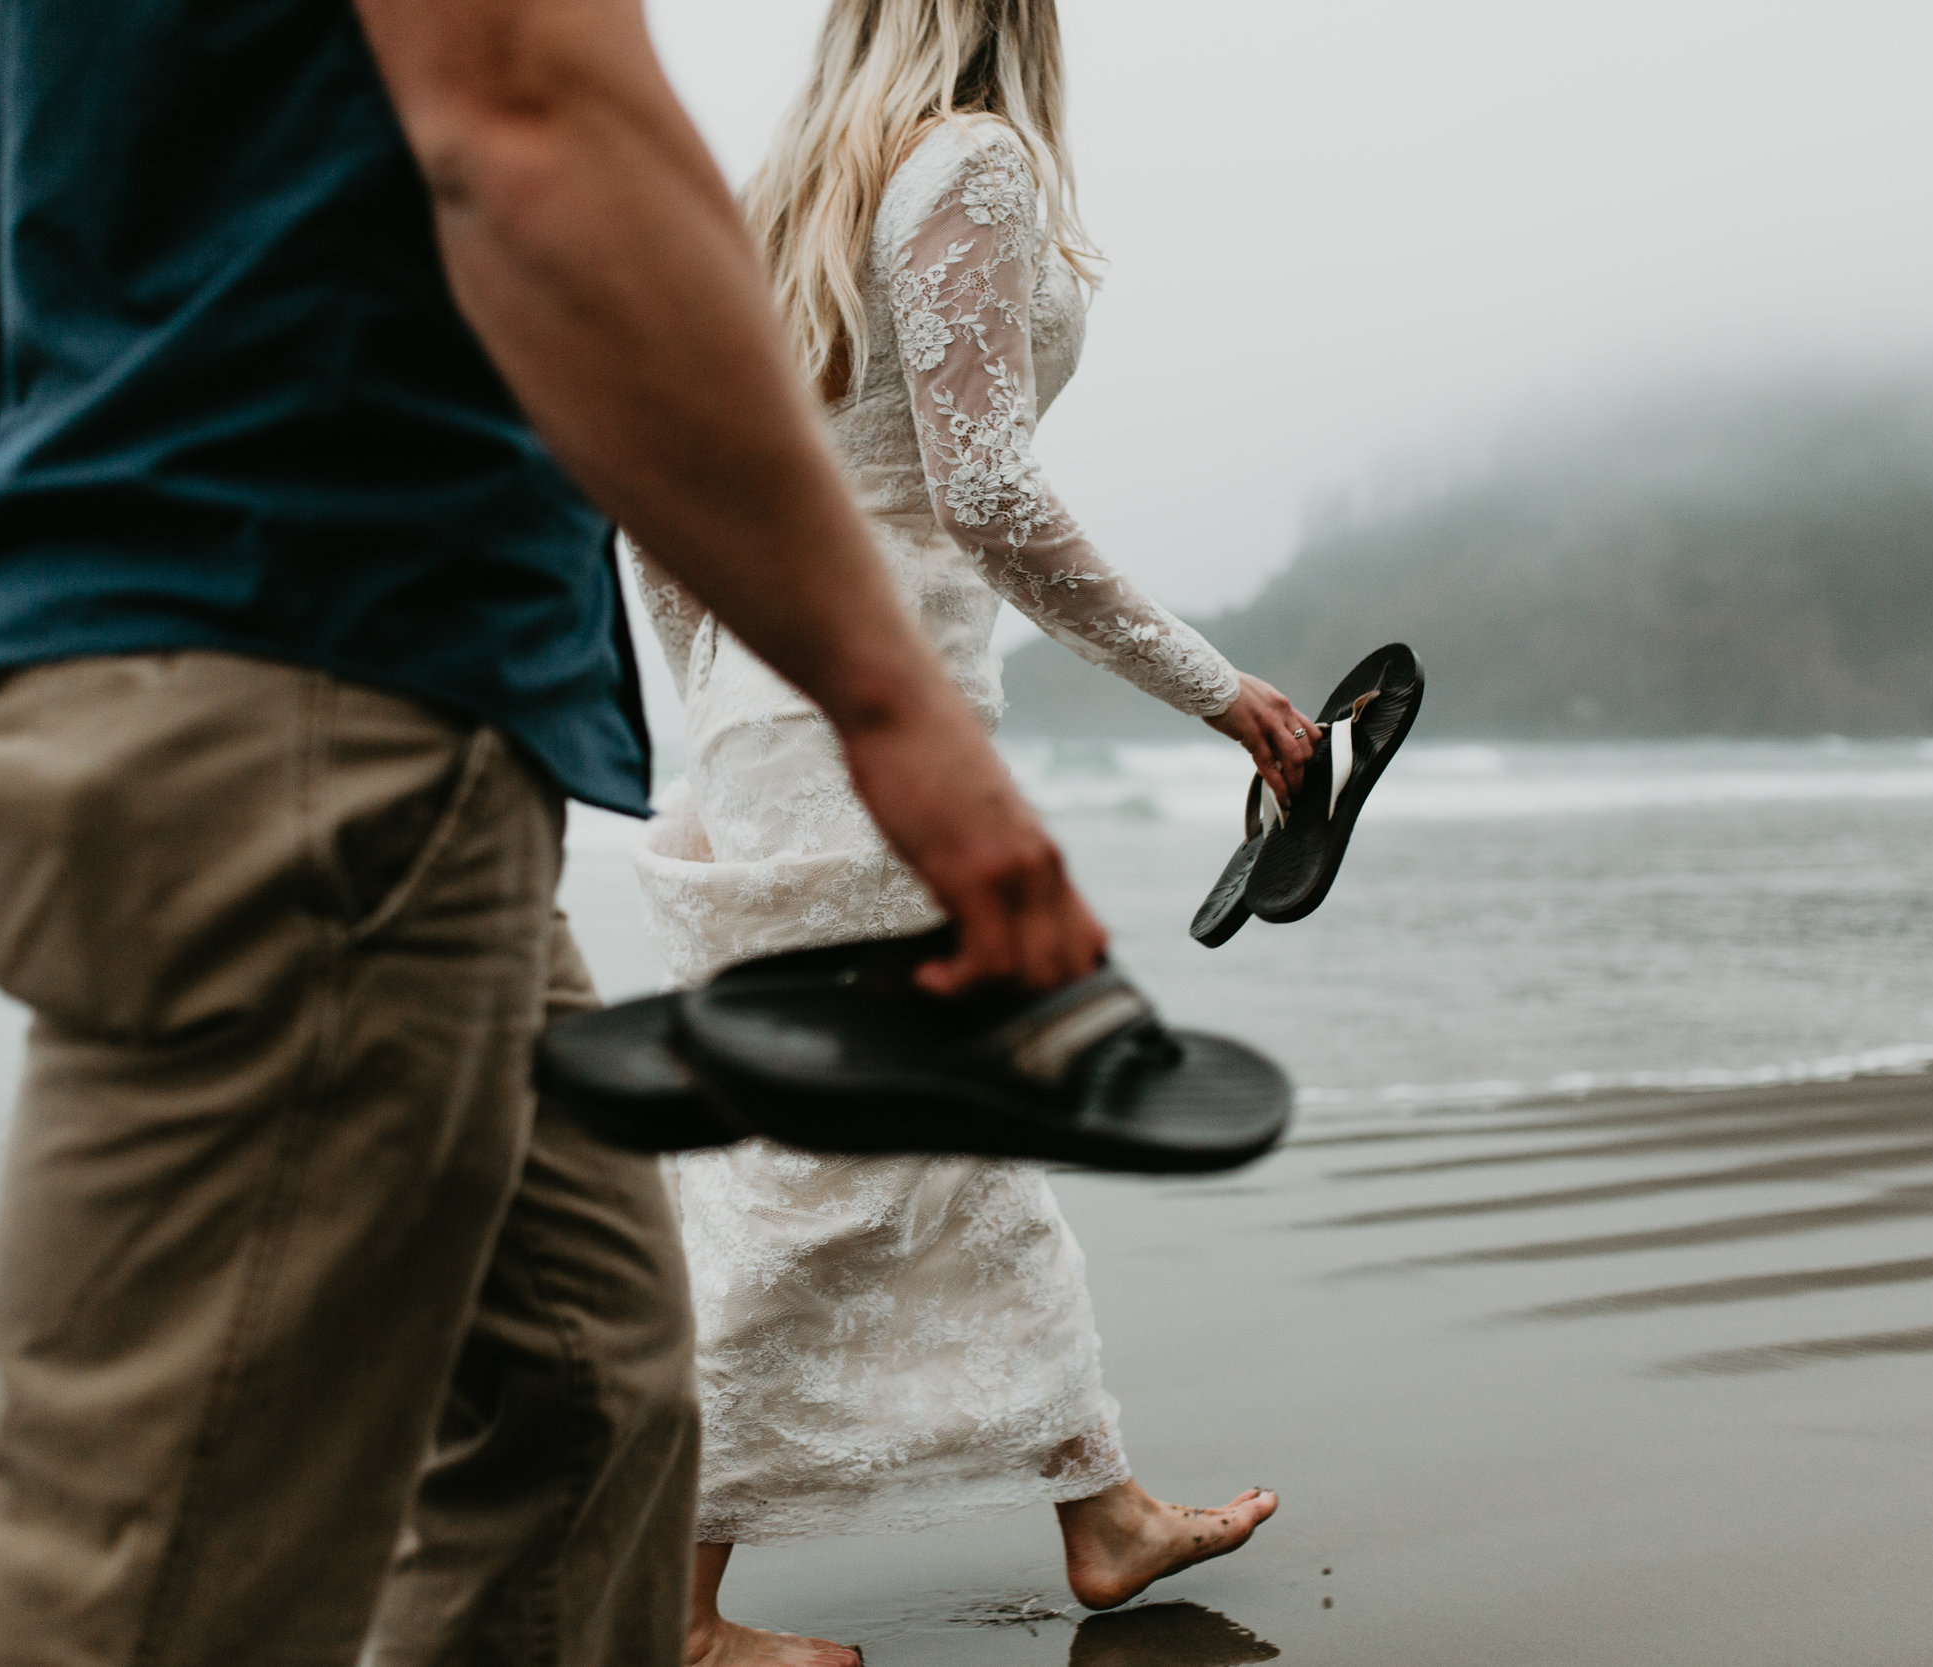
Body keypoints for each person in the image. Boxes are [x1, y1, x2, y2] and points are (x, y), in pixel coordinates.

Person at [0, 0, 1108, 1660]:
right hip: (316, 672)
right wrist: (887, 699)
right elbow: (533, 115)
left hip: (223, 654)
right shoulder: (956, 166)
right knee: (134, 1590)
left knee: (584, 1404)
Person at [624, 1, 1312, 1660]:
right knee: (818, 1169)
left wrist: (719, 721)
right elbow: (985, 489)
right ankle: (667, 1607)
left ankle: (1104, 1508)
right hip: (881, 722)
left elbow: (661, 498)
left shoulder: (787, 195)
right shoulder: (972, 165)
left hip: (780, 714)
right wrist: (1218, 690)